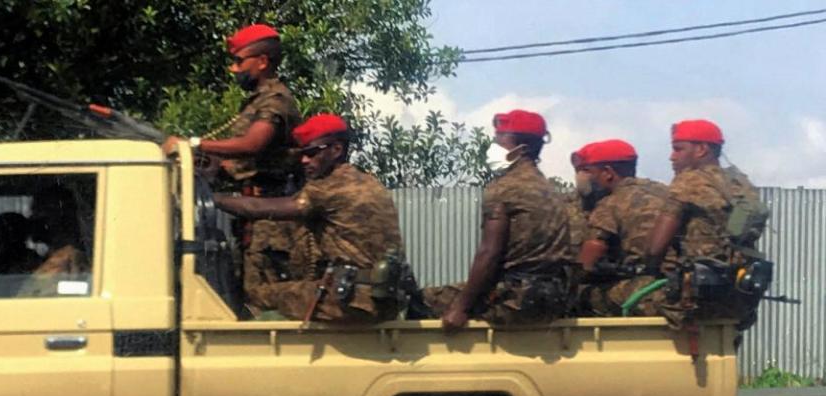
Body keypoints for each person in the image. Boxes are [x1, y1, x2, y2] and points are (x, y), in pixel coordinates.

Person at [163, 23, 303, 313]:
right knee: (247, 298)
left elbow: (252, 144)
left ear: (262, 61)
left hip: (274, 223)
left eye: (240, 61)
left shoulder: (276, 101)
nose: (234, 69)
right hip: (255, 217)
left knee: (267, 305)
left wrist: (194, 144)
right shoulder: (256, 102)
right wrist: (202, 164)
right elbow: (238, 164)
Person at [212, 114, 405, 322]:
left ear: (336, 150)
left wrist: (212, 197)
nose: (304, 160)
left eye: (312, 153)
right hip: (383, 298)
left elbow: (256, 207)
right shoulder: (368, 182)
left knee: (257, 293)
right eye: (303, 154)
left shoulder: (329, 187)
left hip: (350, 301)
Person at [425, 110, 571, 331]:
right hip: (552, 301)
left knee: (424, 296)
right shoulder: (549, 190)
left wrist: (461, 308)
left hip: (514, 300)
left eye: (500, 140)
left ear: (519, 149)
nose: (493, 146)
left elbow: (489, 253)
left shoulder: (504, 189)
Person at [646, 119, 769, 329]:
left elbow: (655, 248)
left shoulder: (689, 181)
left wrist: (646, 267)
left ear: (702, 149)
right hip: (740, 299)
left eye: (678, 149)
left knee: (616, 295)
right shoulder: (741, 182)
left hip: (694, 301)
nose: (671, 157)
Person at [573, 139, 672, 317]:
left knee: (577, 295)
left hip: (645, 288)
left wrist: (574, 278)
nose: (585, 178)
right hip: (678, 284)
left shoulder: (611, 202)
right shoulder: (665, 191)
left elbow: (591, 254)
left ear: (608, 173)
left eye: (589, 172)